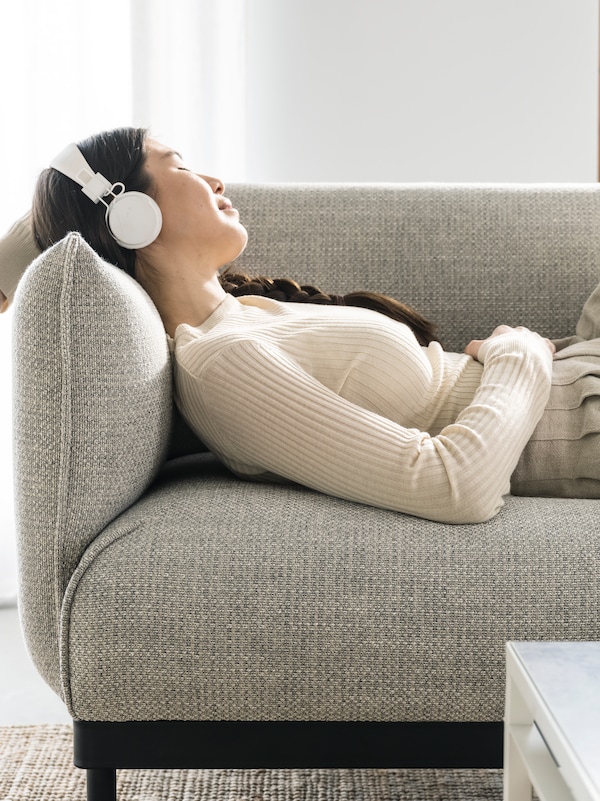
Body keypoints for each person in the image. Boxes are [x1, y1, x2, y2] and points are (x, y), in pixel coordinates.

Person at [1, 127, 599, 523]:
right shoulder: (220, 364)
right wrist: (520, 355)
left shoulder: (243, 316)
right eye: (179, 165)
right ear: (133, 214)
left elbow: (63, 206)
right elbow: (454, 486)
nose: (215, 180)